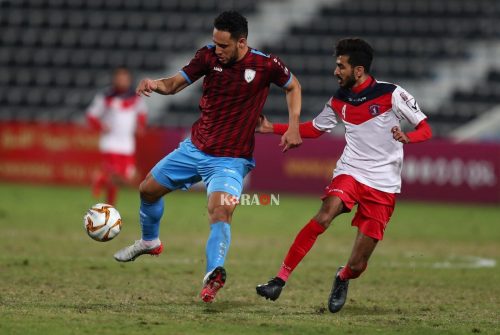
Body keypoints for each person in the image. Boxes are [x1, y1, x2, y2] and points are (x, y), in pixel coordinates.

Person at [113, 11, 302, 303]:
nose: (218, 50)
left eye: (223, 46)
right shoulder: (207, 57)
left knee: (220, 211)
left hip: (231, 160)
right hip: (194, 148)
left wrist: (292, 126)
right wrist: (154, 83)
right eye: (215, 43)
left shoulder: (265, 65)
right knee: (147, 190)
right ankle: (150, 241)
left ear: (242, 43)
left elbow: (293, 86)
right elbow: (174, 84)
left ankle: (213, 275)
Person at [255, 38, 432, 313]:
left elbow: (425, 128)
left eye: (341, 66)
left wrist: (407, 137)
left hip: (383, 183)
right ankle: (279, 279)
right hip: (351, 170)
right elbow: (315, 128)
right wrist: (272, 128)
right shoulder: (339, 100)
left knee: (359, 264)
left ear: (358, 70)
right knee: (325, 215)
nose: (335, 71)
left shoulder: (392, 94)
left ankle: (343, 276)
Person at [86, 67, 147, 206]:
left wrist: (141, 125)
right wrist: (101, 126)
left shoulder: (135, 97)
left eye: (124, 78)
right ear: (114, 79)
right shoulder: (106, 96)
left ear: (129, 80)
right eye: (119, 78)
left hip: (127, 144)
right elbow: (91, 115)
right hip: (111, 142)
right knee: (114, 176)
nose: (122, 81)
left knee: (127, 177)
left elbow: (142, 113)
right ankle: (110, 206)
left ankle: (100, 178)